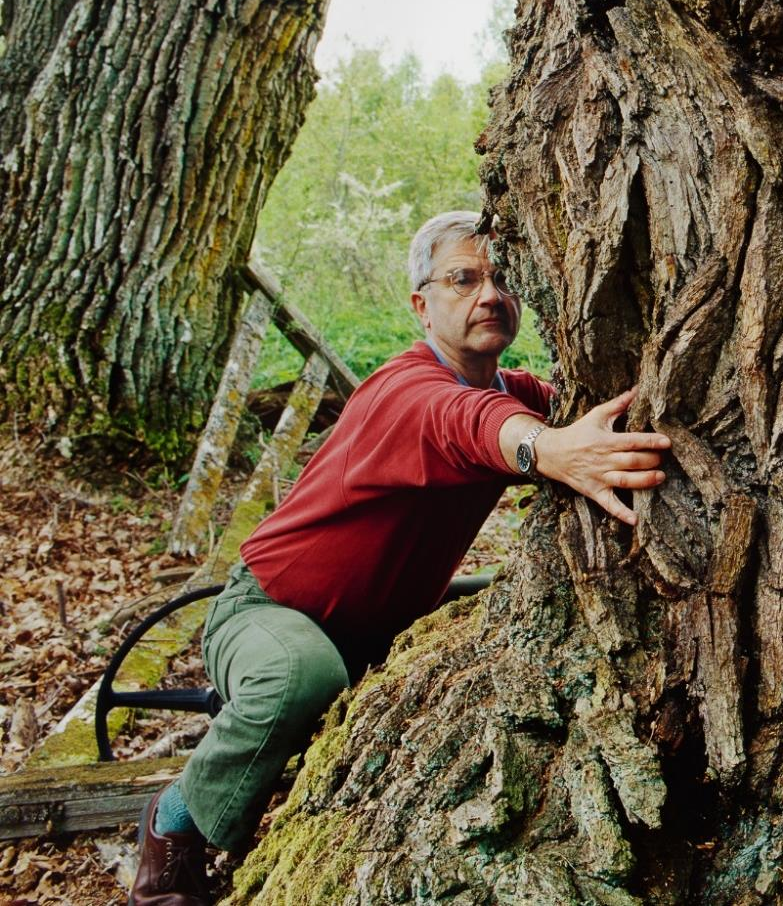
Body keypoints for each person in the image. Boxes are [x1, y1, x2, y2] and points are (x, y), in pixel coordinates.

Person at [129, 212, 671, 905]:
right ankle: (172, 827)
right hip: (272, 609)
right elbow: (464, 423)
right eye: (463, 279)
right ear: (422, 304)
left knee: (495, 603)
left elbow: (524, 410)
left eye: (502, 278)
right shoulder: (403, 389)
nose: (489, 295)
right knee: (298, 676)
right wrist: (550, 451)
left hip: (378, 620)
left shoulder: (515, 392)